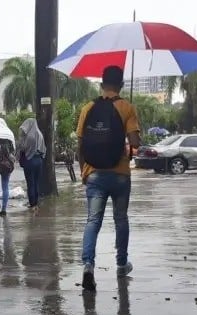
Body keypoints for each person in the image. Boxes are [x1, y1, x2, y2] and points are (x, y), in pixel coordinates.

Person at [76, 65, 141, 291]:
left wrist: (84, 171)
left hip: (94, 173)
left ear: (102, 84)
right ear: (121, 85)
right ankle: (121, 264)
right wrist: (129, 134)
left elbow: (80, 143)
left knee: (93, 221)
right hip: (120, 174)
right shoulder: (126, 107)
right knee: (121, 220)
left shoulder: (88, 108)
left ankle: (88, 265)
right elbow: (135, 143)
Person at [17, 118, 46, 210]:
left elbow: (23, 148)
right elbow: (44, 149)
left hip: (30, 160)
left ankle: (32, 203)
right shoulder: (40, 134)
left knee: (30, 183)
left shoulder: (29, 136)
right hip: (39, 160)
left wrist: (20, 141)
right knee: (36, 182)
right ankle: (36, 202)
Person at [0, 118, 16, 217]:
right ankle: (4, 209)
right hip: (7, 164)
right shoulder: (9, 133)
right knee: (5, 186)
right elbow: (13, 149)